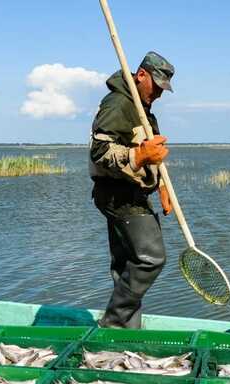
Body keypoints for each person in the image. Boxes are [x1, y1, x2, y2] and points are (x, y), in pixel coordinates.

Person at [89, 51, 175, 329]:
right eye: (157, 86)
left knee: (126, 266)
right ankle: (113, 324)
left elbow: (153, 154)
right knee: (151, 259)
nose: (160, 94)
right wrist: (138, 157)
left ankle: (127, 332)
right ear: (141, 75)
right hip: (118, 195)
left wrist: (161, 185)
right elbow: (100, 152)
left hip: (132, 193)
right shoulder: (117, 104)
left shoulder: (143, 108)